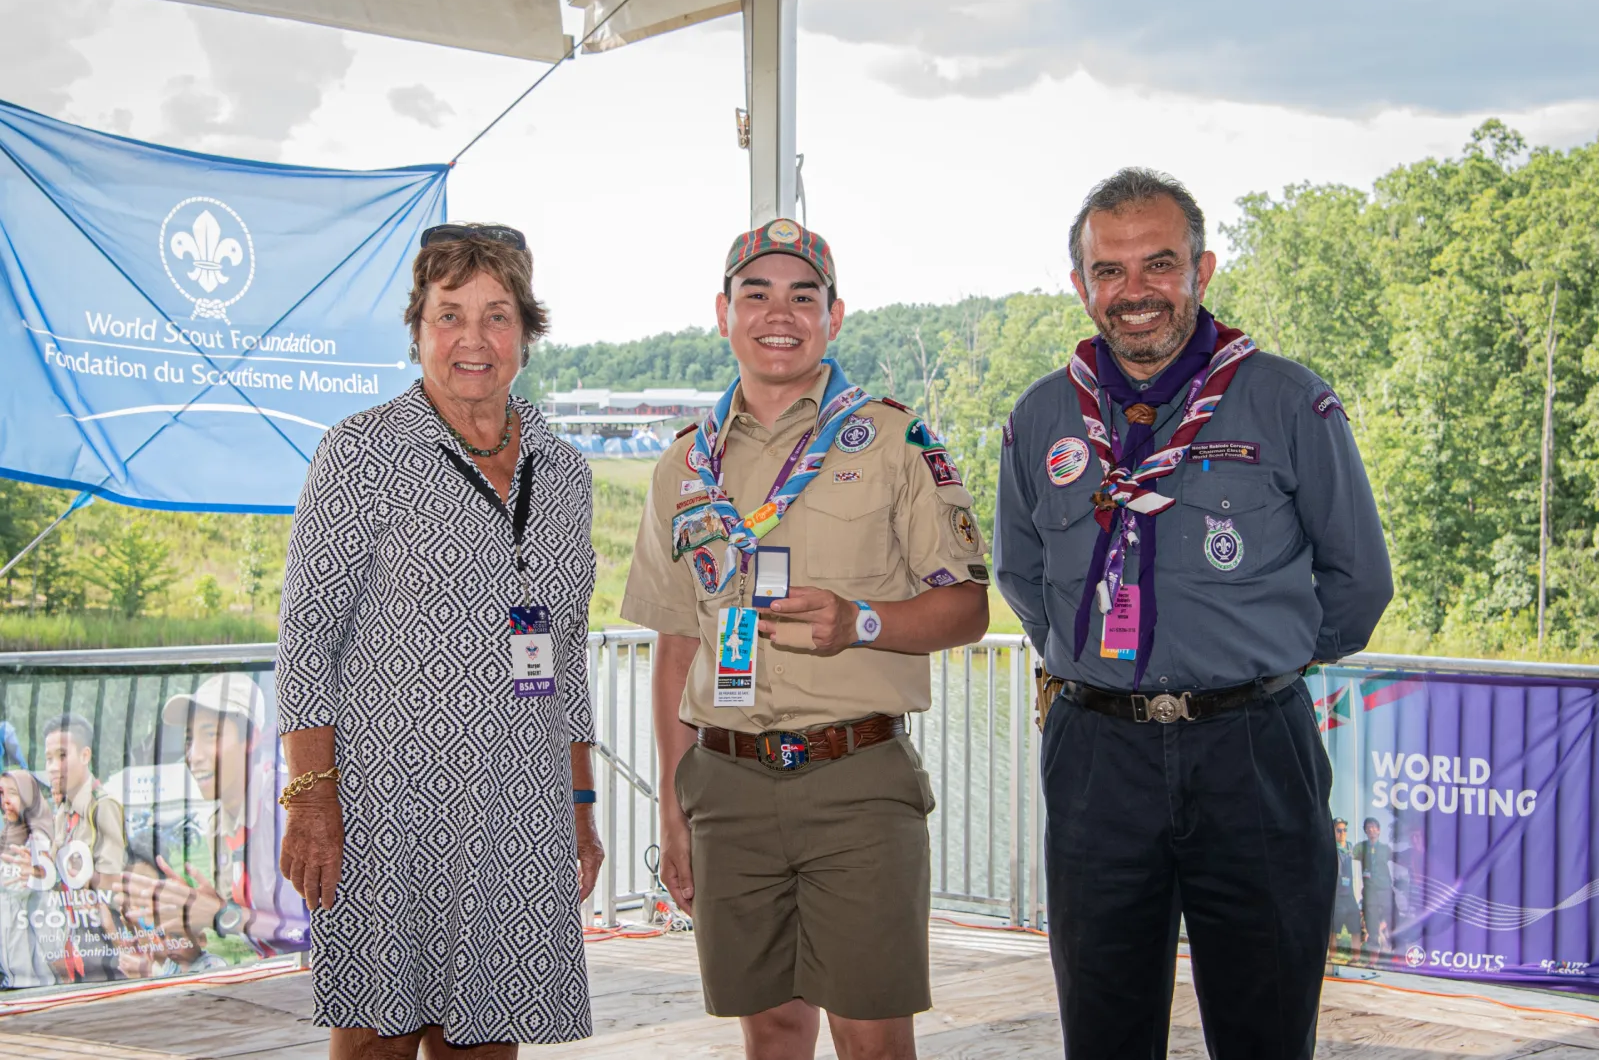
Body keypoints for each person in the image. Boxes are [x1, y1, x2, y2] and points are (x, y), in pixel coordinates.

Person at [994, 168, 1392, 1059]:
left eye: (1159, 264)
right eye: (1109, 269)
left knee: (1264, 1030)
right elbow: (1023, 577)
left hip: (1251, 748)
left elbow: (1357, 581)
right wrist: (1102, 671)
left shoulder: (1287, 401)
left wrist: (1258, 665)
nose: (1134, 290)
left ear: (1200, 271)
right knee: (1103, 1031)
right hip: (1097, 755)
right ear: (1081, 284)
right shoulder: (1042, 414)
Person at [622, 218, 990, 1060]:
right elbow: (676, 645)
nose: (777, 314)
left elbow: (968, 608)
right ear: (723, 313)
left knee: (871, 1038)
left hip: (854, 779)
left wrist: (862, 622)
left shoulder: (895, 440)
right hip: (726, 784)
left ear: (834, 315)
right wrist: (673, 807)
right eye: (755, 294)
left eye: (802, 296)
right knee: (773, 1033)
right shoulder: (684, 465)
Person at [276, 222, 604, 1058]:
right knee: (376, 1039)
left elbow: (564, 655)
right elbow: (308, 638)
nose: (472, 339)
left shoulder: (565, 472)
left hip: (519, 802)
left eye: (497, 316)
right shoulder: (361, 451)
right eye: (449, 315)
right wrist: (311, 800)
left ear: (526, 333)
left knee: (489, 1041)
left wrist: (578, 807)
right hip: (387, 803)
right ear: (417, 330)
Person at [111, 673, 310, 973]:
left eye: (211, 735)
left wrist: (222, 915)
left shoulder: (288, 807)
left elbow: (309, 936)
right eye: (189, 739)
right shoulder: (217, 827)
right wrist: (189, 928)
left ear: (251, 739)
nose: (194, 755)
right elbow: (250, 936)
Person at [41, 713, 127, 982]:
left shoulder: (102, 806)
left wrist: (76, 873)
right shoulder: (63, 813)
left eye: (62, 756)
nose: (53, 767)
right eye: (48, 758)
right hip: (75, 935)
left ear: (85, 755)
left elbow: (111, 885)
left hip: (105, 941)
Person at [0, 768, 55, 988]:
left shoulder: (39, 839)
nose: (5, 800)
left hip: (36, 980)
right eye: (1, 793)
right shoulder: (6, 835)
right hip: (9, 972)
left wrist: (37, 872)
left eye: (13, 793)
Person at [1354, 817, 1396, 953]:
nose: (1371, 829)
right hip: (1370, 891)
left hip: (1385, 890)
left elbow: (1397, 860)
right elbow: (1349, 855)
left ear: (1378, 830)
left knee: (1391, 921)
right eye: (1368, 827)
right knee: (1371, 924)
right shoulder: (1360, 847)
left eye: (1374, 827)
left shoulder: (1385, 848)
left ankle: (1394, 951)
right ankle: (1373, 956)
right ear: (1365, 831)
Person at [1330, 818, 1362, 957]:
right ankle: (1332, 958)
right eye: (1339, 830)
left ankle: (1356, 958)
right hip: (1337, 895)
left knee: (1355, 929)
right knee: (1333, 931)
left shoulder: (1351, 848)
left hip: (1350, 895)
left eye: (1344, 830)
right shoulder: (1331, 848)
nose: (1342, 833)